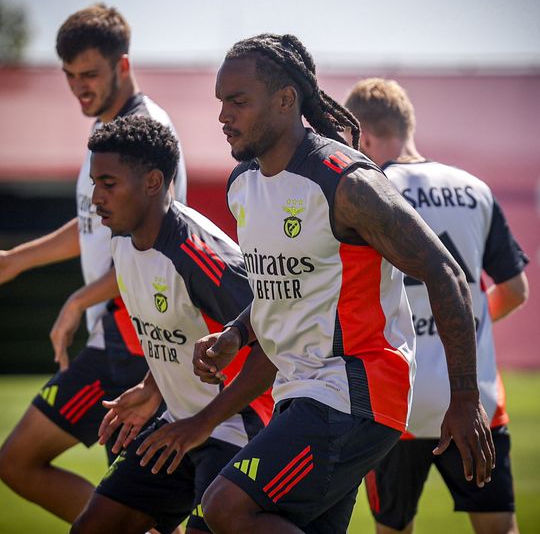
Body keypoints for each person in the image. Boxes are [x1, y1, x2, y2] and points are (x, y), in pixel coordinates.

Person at [192, 33, 495, 534]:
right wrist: (236, 335)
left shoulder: (348, 183)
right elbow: (288, 286)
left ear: (286, 100)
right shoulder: (243, 184)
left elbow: (446, 272)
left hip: (357, 394)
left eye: (238, 101)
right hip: (303, 392)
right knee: (210, 527)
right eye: (221, 102)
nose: (224, 115)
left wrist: (464, 400)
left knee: (225, 508)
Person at [0, 4, 187, 524]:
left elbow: (157, 247)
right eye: (70, 77)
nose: (79, 88)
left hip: (142, 344)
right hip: (115, 339)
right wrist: (17, 260)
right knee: (22, 465)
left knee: (25, 463)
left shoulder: (144, 133)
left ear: (122, 67)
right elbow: (90, 226)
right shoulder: (107, 130)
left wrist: (78, 298)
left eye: (90, 75)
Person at [70, 115, 275, 534]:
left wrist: (203, 423)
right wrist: (152, 387)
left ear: (152, 182)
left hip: (239, 429)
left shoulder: (199, 255)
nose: (96, 198)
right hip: (180, 427)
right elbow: (183, 331)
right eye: (94, 183)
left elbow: (276, 341)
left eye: (108, 184)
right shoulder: (123, 239)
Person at [343, 77, 529, 534]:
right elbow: (515, 289)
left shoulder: (363, 190)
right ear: (406, 125)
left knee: (393, 529)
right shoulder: (474, 189)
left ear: (362, 136)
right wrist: (462, 323)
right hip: (474, 399)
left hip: (395, 400)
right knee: (498, 528)